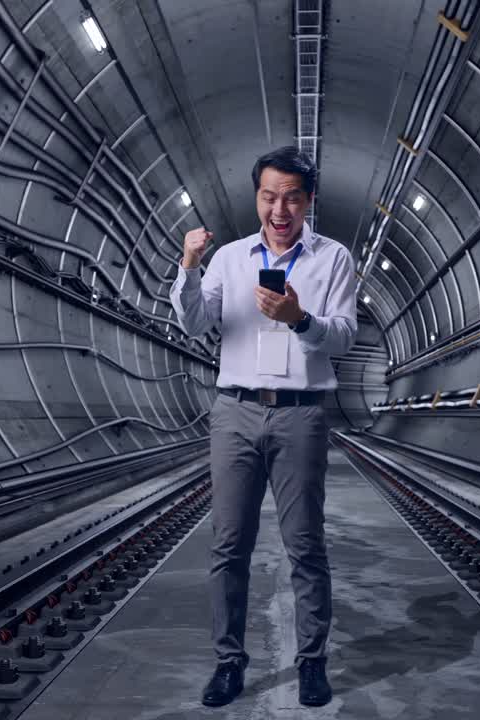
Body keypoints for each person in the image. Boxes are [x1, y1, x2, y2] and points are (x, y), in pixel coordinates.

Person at [169, 146, 358, 708]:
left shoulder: (333, 260)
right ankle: (228, 662)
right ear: (257, 197)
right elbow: (196, 322)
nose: (280, 209)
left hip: (301, 413)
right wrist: (189, 266)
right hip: (236, 411)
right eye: (270, 196)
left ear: (309, 201)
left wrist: (298, 318)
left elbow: (345, 336)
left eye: (292, 197)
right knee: (229, 546)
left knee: (305, 546)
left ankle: (311, 663)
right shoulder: (229, 258)